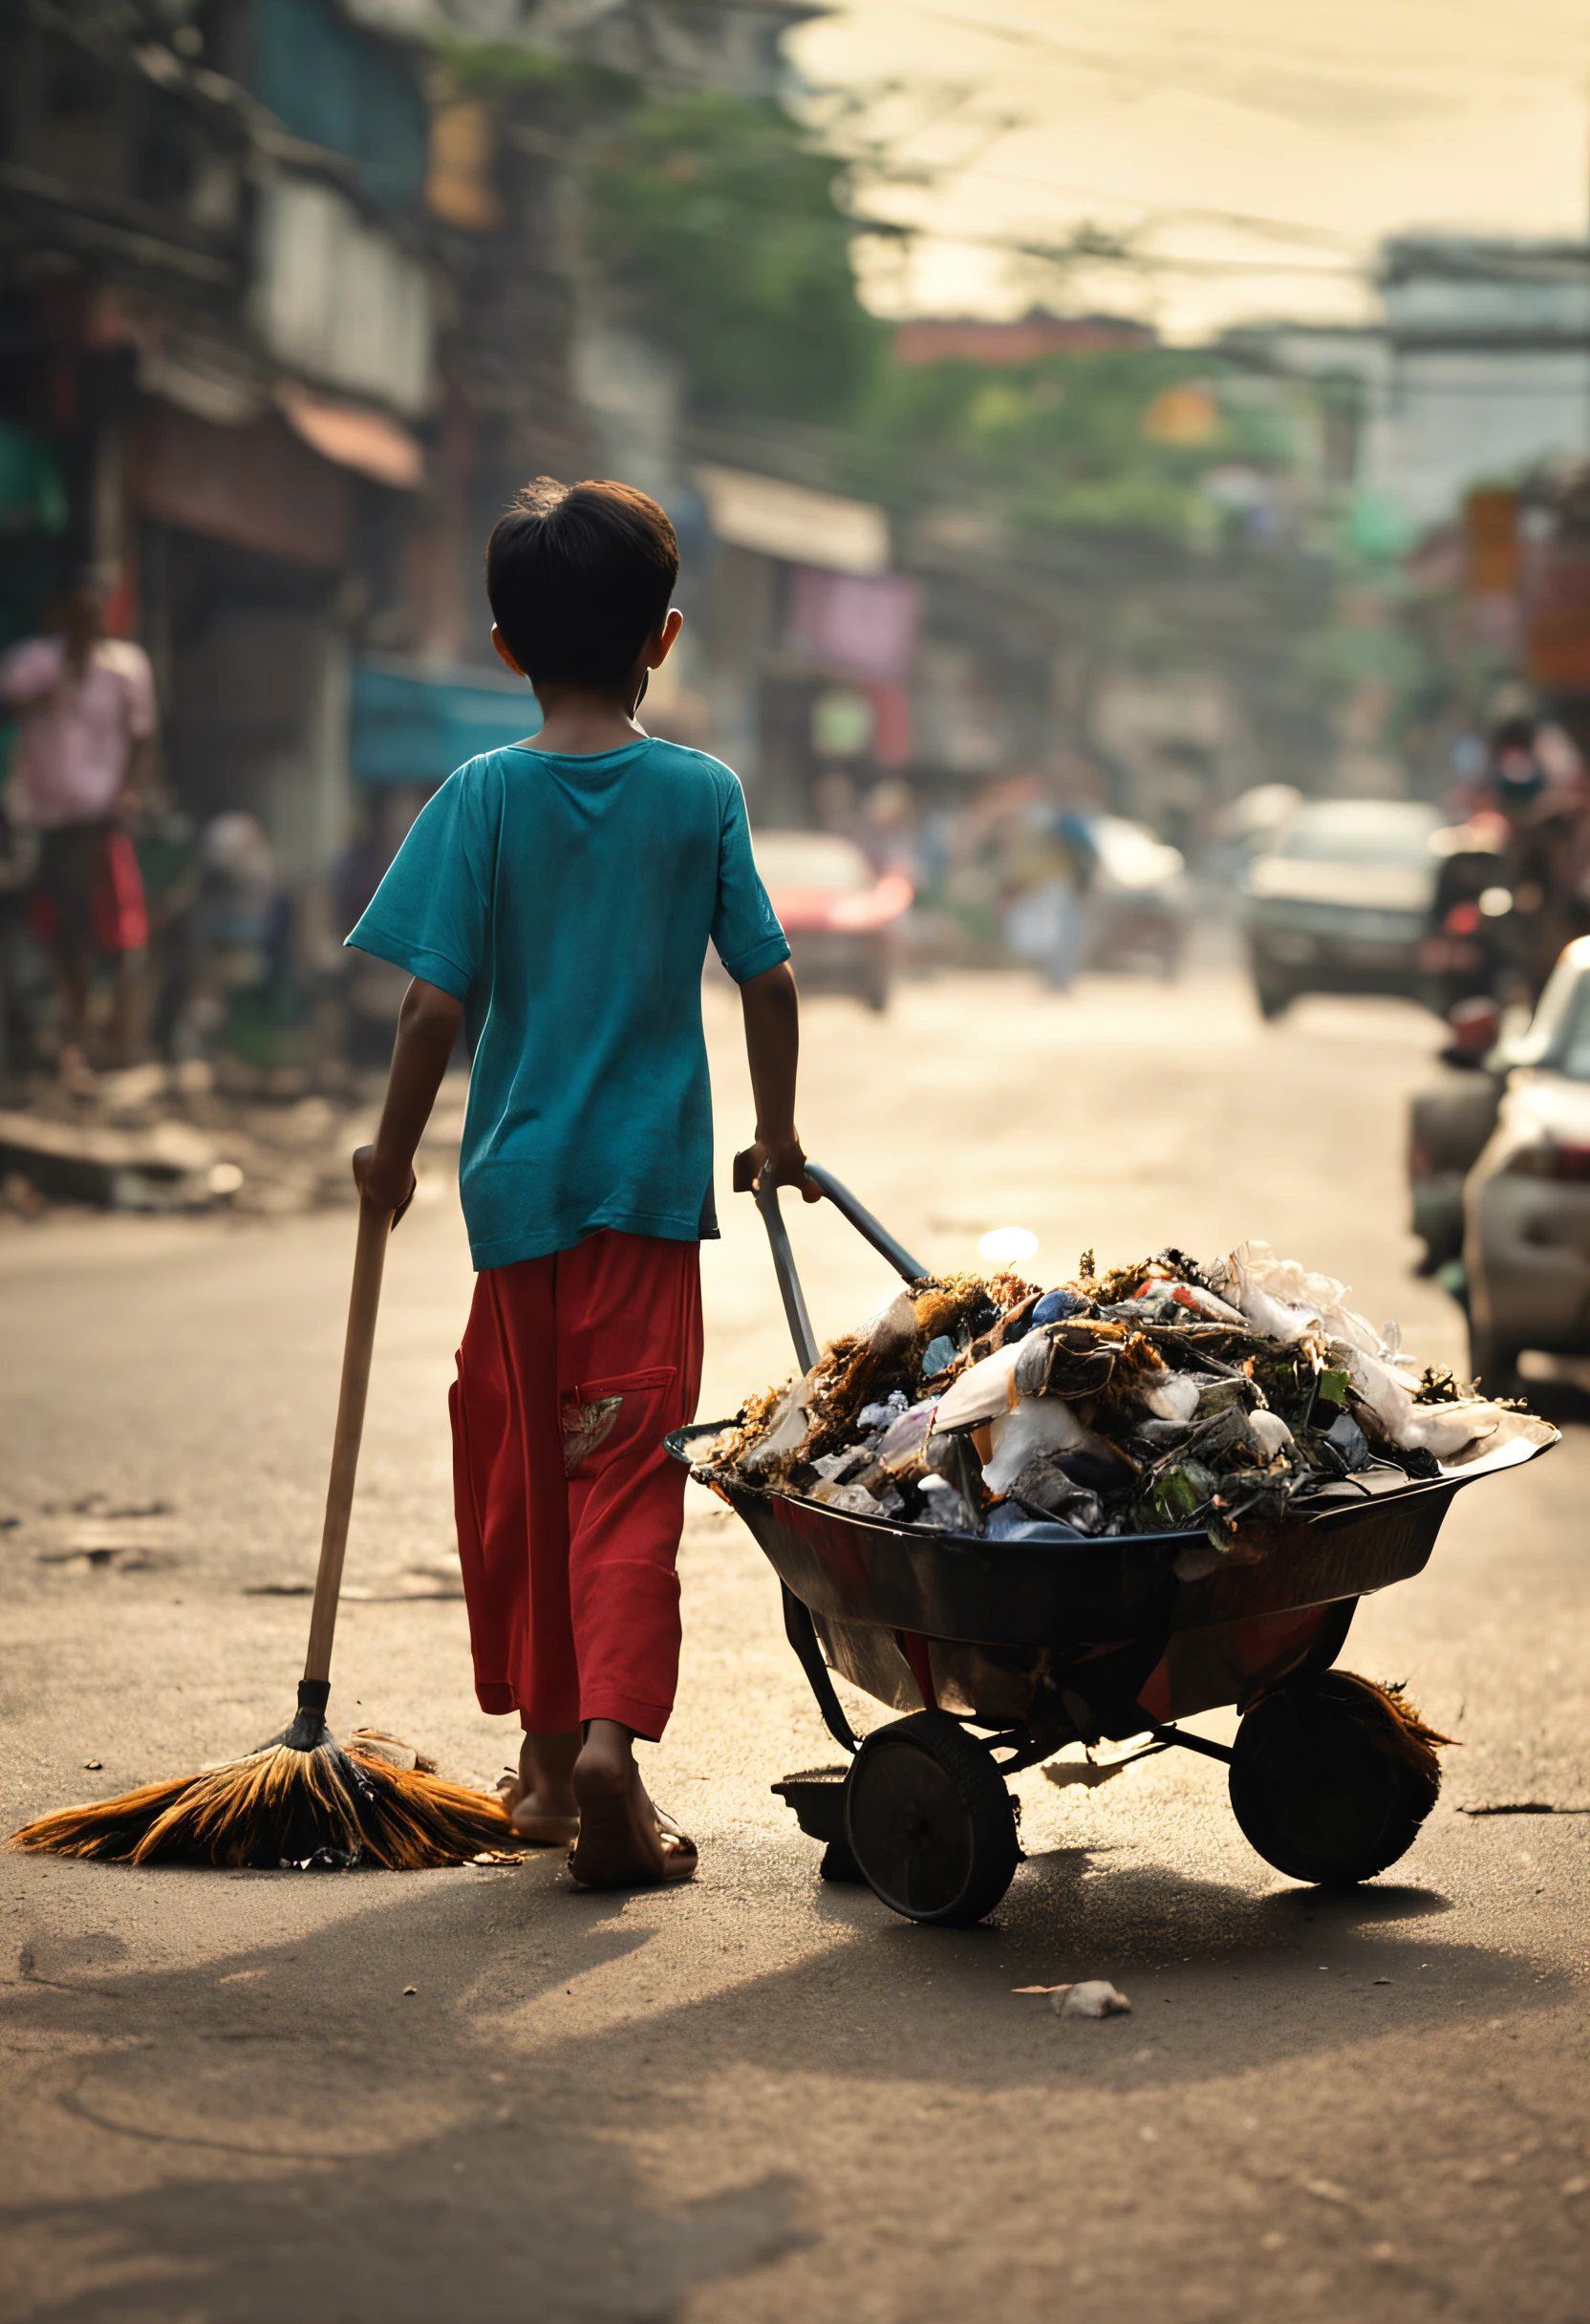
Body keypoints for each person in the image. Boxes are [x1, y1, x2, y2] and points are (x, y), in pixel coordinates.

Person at [346, 477, 811, 1891]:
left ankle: (547, 1767)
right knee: (624, 1479)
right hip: (649, 1210)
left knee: (525, 1479)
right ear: (662, 638)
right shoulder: (701, 793)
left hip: (516, 1213)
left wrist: (393, 1151)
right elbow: (770, 980)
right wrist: (776, 1137)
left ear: (504, 648)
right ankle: (605, 1748)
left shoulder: (481, 797)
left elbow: (434, 1012)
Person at [0, 577, 155, 1075]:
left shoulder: (126, 669)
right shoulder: (35, 664)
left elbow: (142, 736)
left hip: (93, 819)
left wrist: (128, 792)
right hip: (34, 814)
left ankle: (82, 1031)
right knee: (36, 921)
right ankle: (37, 1030)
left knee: (86, 924)